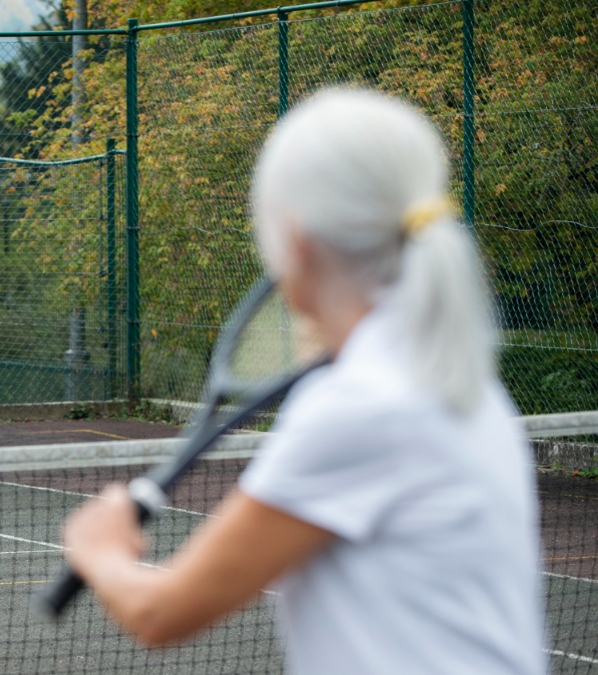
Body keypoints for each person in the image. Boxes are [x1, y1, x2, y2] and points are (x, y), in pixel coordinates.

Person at [61, 88, 545, 674]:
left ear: (294, 241)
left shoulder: (358, 407)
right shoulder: (459, 386)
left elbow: (161, 612)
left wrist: (101, 548)